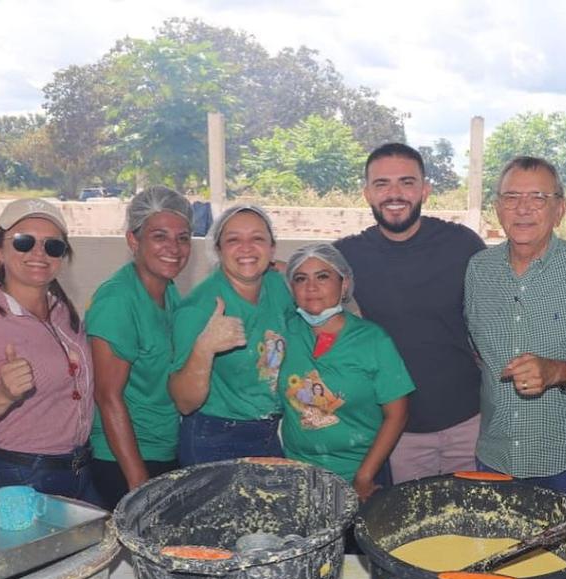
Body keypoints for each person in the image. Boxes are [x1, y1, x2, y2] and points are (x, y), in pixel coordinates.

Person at [335, 143, 485, 483]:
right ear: (367, 194)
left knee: (470, 527)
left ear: (425, 190)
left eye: (406, 182)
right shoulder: (347, 255)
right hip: (398, 430)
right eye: (382, 184)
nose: (394, 193)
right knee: (412, 531)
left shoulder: (462, 244)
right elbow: (300, 276)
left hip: (469, 422)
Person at [465, 156, 566, 497]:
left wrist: (559, 371)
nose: (523, 209)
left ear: (560, 209)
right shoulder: (478, 270)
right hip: (494, 458)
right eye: (512, 197)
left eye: (538, 198)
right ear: (498, 208)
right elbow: (478, 354)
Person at [0, 198, 97, 500]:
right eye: (23, 242)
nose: (38, 253)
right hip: (18, 476)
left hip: (77, 469)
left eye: (53, 246)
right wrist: (4, 395)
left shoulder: (62, 312)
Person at [279, 243, 415, 502]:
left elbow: (397, 414)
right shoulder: (286, 334)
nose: (311, 287)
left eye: (322, 276)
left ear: (344, 285)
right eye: (300, 278)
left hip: (361, 477)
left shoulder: (373, 340)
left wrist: (364, 477)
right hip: (299, 478)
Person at [85, 186, 193, 509]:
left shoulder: (169, 292)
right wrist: (138, 483)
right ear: (134, 240)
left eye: (183, 237)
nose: (173, 247)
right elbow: (107, 396)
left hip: (163, 449)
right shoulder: (118, 300)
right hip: (124, 460)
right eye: (159, 236)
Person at [169, 204, 294, 464]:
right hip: (214, 438)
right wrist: (204, 349)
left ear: (272, 247)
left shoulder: (279, 286)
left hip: (269, 434)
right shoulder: (199, 308)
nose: (246, 248)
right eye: (233, 240)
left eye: (257, 239)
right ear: (218, 250)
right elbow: (184, 402)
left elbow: (318, 275)